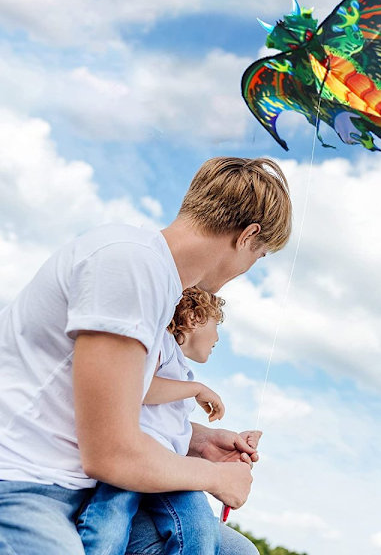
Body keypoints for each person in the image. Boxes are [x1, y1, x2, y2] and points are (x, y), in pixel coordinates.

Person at [0, 157, 291, 554]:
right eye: (258, 257)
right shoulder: (131, 265)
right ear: (247, 236)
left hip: (77, 486)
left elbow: (118, 404)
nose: (247, 269)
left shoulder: (155, 278)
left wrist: (201, 442)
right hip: (22, 481)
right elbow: (111, 454)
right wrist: (213, 478)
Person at [77, 287, 250, 555]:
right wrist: (195, 390)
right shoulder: (162, 345)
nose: (217, 337)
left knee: (200, 526)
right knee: (109, 523)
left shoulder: (182, 368)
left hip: (171, 470)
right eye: (217, 325)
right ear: (195, 318)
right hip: (135, 460)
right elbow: (139, 388)